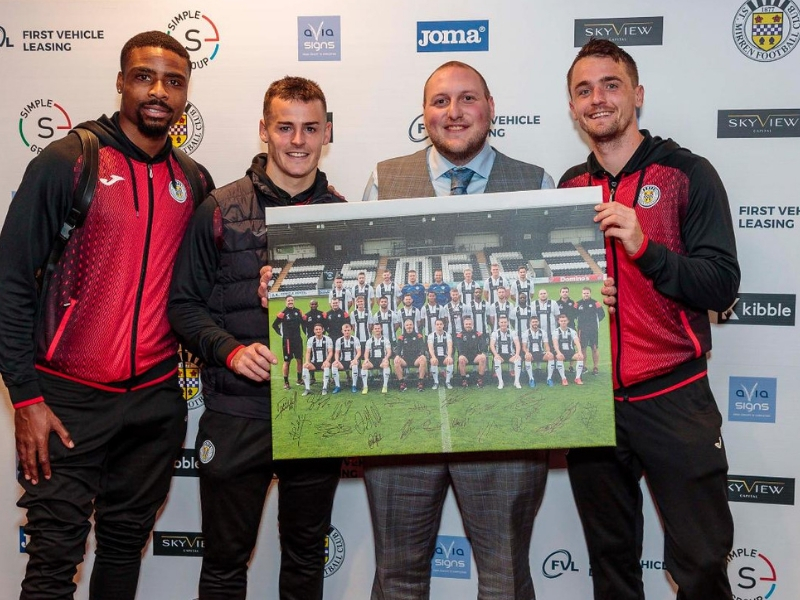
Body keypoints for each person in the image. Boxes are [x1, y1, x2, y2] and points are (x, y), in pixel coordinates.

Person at [0, 31, 214, 600]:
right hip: (65, 401)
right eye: (145, 76)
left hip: (154, 403)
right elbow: (11, 281)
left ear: (186, 94)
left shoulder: (193, 181)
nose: (158, 91)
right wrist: (25, 397)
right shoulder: (69, 161)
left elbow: (204, 290)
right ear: (121, 81)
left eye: (173, 81)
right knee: (52, 563)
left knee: (122, 550)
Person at [361, 60, 551, 599]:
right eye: (440, 101)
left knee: (505, 578)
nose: (454, 112)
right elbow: (368, 290)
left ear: (490, 108)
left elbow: (548, 290)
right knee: (396, 577)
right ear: (424, 114)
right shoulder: (384, 180)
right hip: (404, 419)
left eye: (468, 98)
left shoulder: (536, 183)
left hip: (505, 421)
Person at [560, 39, 739, 600]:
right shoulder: (569, 188)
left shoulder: (688, 173)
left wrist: (645, 249)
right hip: (592, 400)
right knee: (610, 565)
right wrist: (580, 298)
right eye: (584, 90)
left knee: (702, 563)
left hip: (673, 394)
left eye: (610, 85)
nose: (597, 98)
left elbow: (721, 285)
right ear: (572, 107)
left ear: (637, 95)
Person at [168, 75, 342, 600]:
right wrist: (232, 351)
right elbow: (183, 306)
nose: (297, 141)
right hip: (238, 410)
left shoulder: (343, 214)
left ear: (327, 132)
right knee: (224, 562)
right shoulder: (220, 208)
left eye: (310, 128)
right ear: (264, 130)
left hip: (314, 411)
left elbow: (356, 317)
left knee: (306, 556)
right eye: (285, 127)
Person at [271, 295, 306, 390]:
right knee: (287, 361)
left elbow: (303, 324)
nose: (290, 302)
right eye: (288, 300)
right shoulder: (282, 313)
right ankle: (286, 382)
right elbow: (274, 325)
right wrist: (281, 334)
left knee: (299, 359)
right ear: (285, 302)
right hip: (288, 341)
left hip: (298, 339)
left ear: (294, 301)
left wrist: (306, 333)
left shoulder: (298, 311)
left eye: (292, 300)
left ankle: (299, 380)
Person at [574, 286, 605, 375]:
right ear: (582, 294)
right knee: (583, 348)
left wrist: (594, 322)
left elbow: (602, 314)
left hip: (593, 330)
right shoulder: (577, 304)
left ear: (590, 293)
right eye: (584, 293)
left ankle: (595, 367)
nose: (586, 294)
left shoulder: (596, 303)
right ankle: (584, 367)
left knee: (594, 348)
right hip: (582, 330)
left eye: (587, 293)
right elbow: (573, 315)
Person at [393, 319, 428, 392]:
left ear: (413, 326)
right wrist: (397, 356)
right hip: (405, 360)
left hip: (416, 360)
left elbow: (422, 347)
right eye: (407, 325)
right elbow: (398, 348)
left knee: (423, 359)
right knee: (396, 361)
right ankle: (402, 383)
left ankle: (420, 382)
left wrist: (422, 354)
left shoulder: (418, 336)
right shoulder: (401, 337)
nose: (409, 326)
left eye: (410, 325)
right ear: (404, 327)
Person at [550, 313, 585, 386]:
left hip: (570, 352)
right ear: (558, 322)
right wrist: (558, 353)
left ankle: (577, 378)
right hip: (560, 352)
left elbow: (577, 342)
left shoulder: (572, 331)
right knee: (559, 357)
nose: (563, 322)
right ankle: (564, 378)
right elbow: (555, 344)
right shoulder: (555, 332)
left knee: (580, 357)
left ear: (568, 321)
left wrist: (580, 352)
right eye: (561, 321)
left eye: (564, 321)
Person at [490, 316, 522, 390]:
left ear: (507, 323)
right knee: (496, 360)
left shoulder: (513, 332)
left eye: (505, 322)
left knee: (518, 360)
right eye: (501, 322)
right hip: (500, 355)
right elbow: (491, 345)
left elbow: (517, 344)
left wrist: (517, 354)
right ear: (498, 323)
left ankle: (516, 381)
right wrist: (496, 355)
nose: (503, 324)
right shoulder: (495, 333)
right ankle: (500, 382)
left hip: (510, 355)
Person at [302, 323, 334, 396]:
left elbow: (330, 352)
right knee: (305, 366)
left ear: (323, 330)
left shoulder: (328, 339)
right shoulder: (311, 339)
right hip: (314, 363)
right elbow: (308, 352)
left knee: (327, 366)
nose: (318, 331)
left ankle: (324, 388)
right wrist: (307, 362)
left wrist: (327, 361)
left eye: (319, 329)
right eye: (316, 329)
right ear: (314, 330)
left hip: (324, 362)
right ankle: (307, 389)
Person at [522, 316, 553, 388]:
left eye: (536, 322)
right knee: (527, 357)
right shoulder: (526, 333)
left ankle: (549, 378)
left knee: (551, 356)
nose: (535, 323)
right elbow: (524, 347)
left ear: (538, 322)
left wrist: (548, 351)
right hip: (531, 353)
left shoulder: (543, 332)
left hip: (540, 353)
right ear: (530, 323)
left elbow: (546, 345)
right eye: (533, 322)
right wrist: (527, 352)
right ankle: (531, 379)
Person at [456, 315, 487, 388]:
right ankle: (464, 380)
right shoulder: (460, 335)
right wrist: (463, 354)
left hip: (475, 356)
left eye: (469, 324)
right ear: (464, 325)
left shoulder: (478, 334)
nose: (468, 325)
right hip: (465, 356)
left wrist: (480, 352)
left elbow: (483, 345)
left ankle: (480, 379)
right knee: (461, 358)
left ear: (472, 324)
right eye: (466, 324)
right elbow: (460, 348)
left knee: (483, 357)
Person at [361, 323, 392, 394]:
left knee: (386, 364)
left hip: (382, 360)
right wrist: (366, 359)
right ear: (373, 330)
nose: (377, 330)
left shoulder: (386, 340)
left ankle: (385, 386)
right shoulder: (369, 341)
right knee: (364, 365)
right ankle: (365, 387)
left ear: (381, 329)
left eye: (378, 328)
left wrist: (386, 358)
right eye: (375, 329)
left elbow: (389, 352)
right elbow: (366, 352)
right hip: (373, 360)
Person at [332, 322, 361, 394]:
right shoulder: (339, 340)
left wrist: (355, 359)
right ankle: (337, 386)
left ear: (351, 330)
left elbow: (359, 352)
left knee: (354, 365)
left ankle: (354, 385)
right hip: (342, 361)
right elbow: (337, 353)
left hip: (352, 361)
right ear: (342, 331)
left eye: (348, 330)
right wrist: (337, 360)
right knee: (334, 365)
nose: (347, 332)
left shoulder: (355, 339)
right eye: (345, 330)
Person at [426, 318, 454, 390]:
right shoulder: (431, 336)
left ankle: (448, 381)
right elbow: (430, 348)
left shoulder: (448, 335)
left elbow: (450, 346)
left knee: (450, 360)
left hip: (444, 357)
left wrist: (449, 356)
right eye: (437, 324)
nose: (439, 326)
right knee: (433, 361)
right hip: (436, 357)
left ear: (443, 325)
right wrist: (433, 357)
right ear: (435, 326)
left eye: (441, 324)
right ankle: (436, 382)